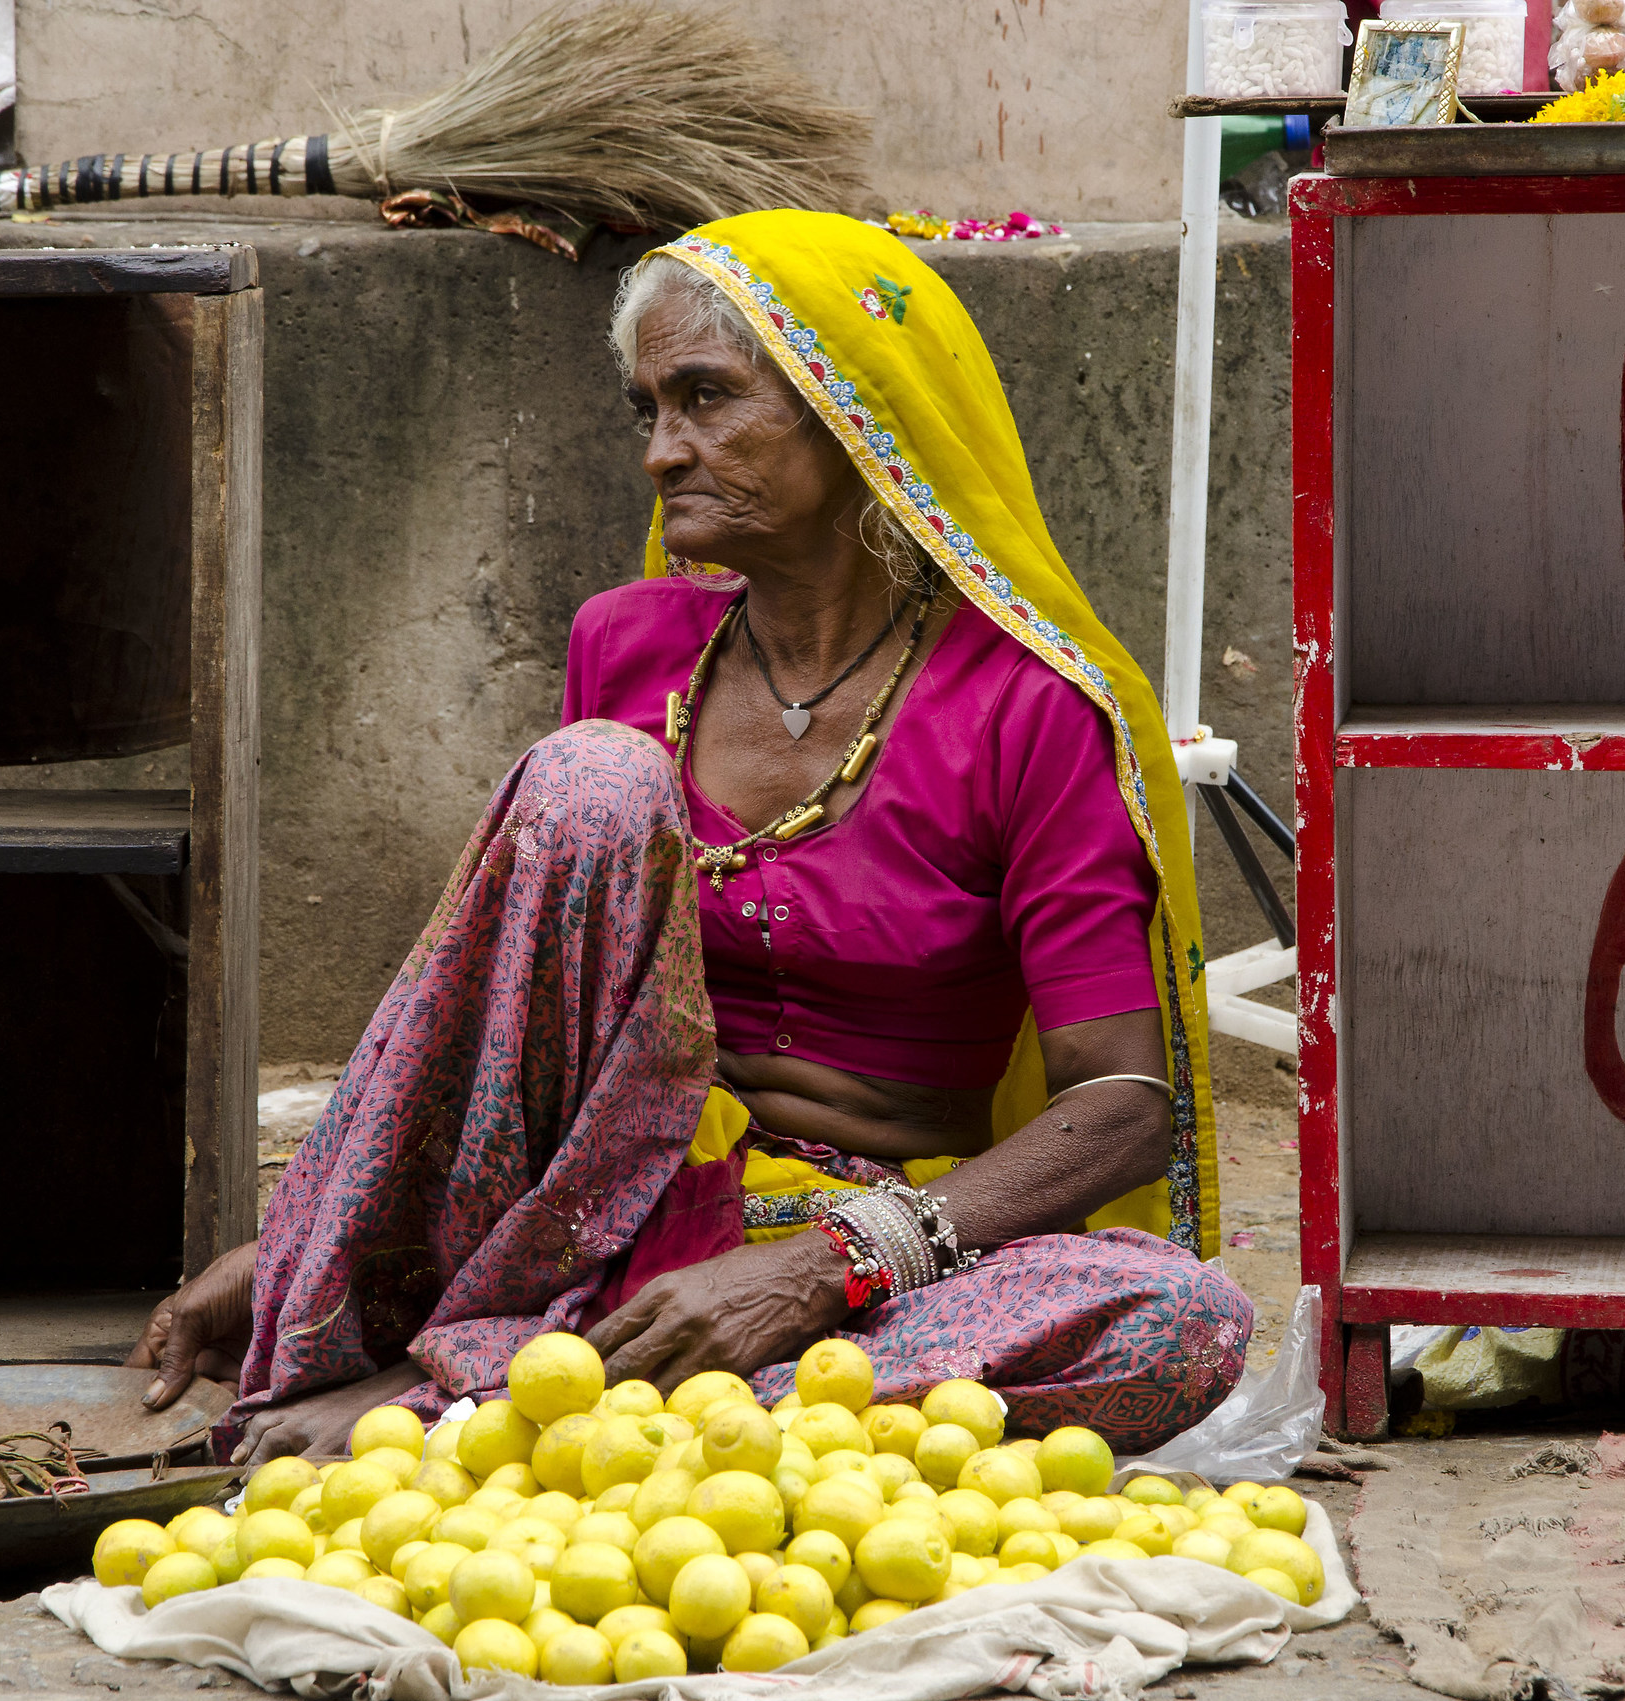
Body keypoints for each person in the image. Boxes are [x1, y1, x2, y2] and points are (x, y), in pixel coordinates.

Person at [127, 210, 1255, 1464]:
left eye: (707, 398)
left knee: (1179, 1320)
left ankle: (496, 1381)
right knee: (591, 778)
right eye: (648, 410)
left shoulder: (1026, 706)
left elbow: (1118, 1103)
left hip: (875, 1249)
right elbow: (513, 1017)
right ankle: (581, 1378)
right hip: (594, 1217)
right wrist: (304, 1241)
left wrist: (821, 1270)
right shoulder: (624, 644)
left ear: (853, 414)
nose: (663, 452)